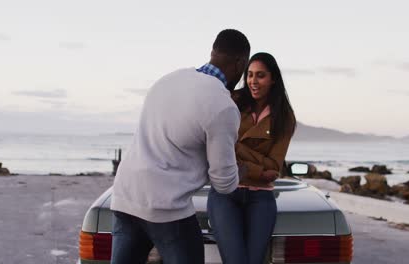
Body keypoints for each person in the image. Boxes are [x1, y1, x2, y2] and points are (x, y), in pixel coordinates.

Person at [110, 29, 250, 264]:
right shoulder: (223, 107)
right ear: (240, 64)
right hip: (166, 209)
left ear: (213, 53)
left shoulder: (169, 79)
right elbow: (224, 183)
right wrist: (239, 172)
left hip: (125, 196)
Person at [207, 52, 296, 264]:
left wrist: (236, 145)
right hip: (225, 191)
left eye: (261, 75)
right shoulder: (232, 101)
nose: (253, 81)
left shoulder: (284, 117)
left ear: (273, 78)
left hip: (261, 198)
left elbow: (273, 169)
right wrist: (258, 167)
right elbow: (217, 149)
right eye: (250, 75)